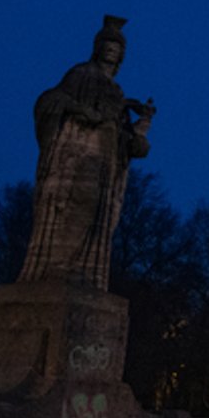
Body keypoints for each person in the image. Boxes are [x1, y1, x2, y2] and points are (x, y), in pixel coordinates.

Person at [19, 15, 155, 291]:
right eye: (107, 46)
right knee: (67, 210)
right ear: (98, 47)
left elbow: (127, 143)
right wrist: (82, 111)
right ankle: (55, 273)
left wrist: (140, 130)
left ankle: (82, 275)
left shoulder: (116, 91)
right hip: (76, 160)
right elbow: (49, 101)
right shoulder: (81, 75)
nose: (112, 52)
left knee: (96, 220)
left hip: (104, 170)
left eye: (117, 49)